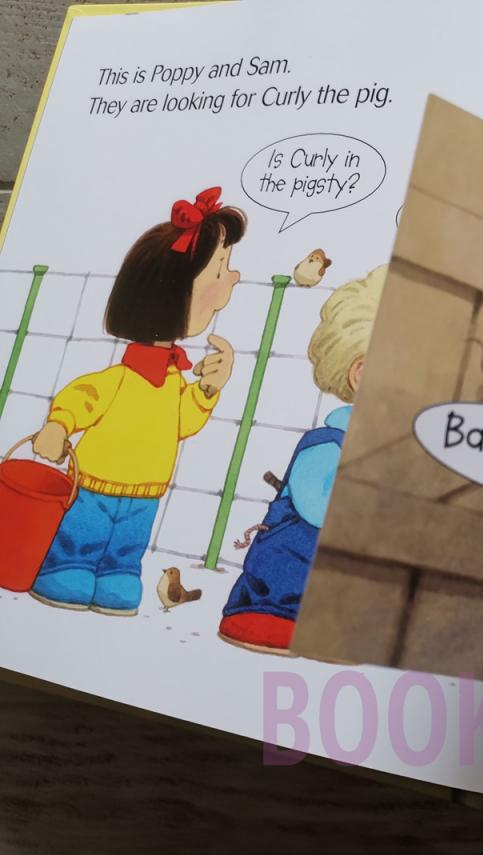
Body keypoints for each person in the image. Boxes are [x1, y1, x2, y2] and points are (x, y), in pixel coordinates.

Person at [28, 187, 242, 615]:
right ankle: (66, 568)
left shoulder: (174, 379)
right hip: (96, 484)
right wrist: (58, 424)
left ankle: (119, 573)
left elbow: (182, 423)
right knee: (82, 535)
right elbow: (84, 397)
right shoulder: (121, 379)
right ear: (169, 293)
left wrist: (206, 390)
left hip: (148, 489)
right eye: (221, 268)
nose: (232, 279)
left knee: (128, 543)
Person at [218, 265, 384, 654]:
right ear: (361, 374)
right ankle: (273, 614)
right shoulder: (326, 445)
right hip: (282, 591)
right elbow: (319, 508)